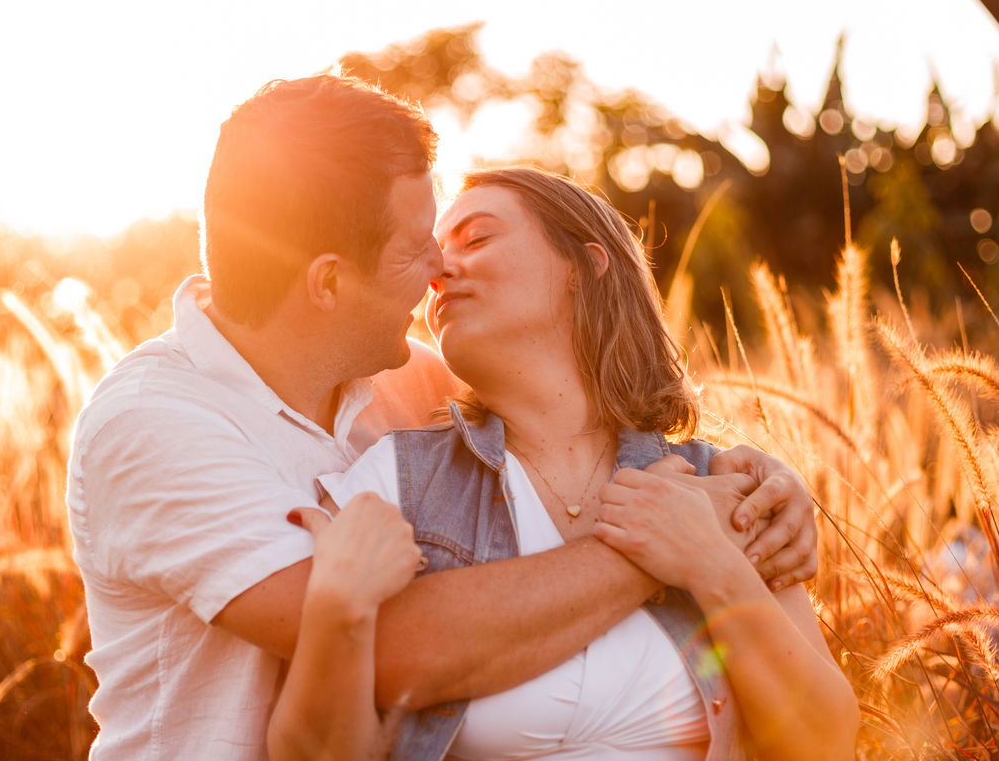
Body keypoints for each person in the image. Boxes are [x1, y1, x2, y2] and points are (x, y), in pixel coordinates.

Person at [65, 74, 821, 760]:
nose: (439, 267)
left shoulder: (406, 386)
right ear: (328, 284)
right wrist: (673, 543)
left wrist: (761, 477)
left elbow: (562, 417)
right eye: (417, 246)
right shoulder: (154, 423)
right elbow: (393, 648)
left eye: (469, 236)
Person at [286, 168, 858, 760]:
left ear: (582, 267)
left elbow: (826, 744)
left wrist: (709, 559)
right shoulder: (395, 482)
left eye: (476, 239)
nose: (438, 270)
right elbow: (316, 746)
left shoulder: (723, 485)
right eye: (434, 253)